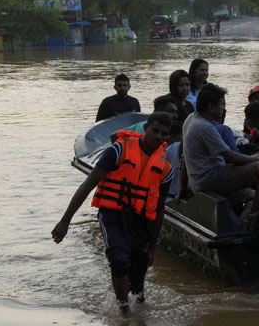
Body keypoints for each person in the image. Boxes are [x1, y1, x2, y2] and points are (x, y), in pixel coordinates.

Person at [52, 112, 174, 314]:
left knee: (139, 273)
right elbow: (87, 185)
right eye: (155, 131)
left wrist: (152, 247)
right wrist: (64, 221)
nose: (158, 137)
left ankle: (138, 311)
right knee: (119, 258)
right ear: (145, 129)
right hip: (112, 214)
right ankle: (123, 310)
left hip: (141, 220)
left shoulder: (165, 168)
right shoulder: (119, 150)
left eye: (164, 134)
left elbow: (159, 209)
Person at [182, 82, 259, 225]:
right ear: (211, 107)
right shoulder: (205, 127)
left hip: (200, 180)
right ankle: (255, 217)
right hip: (211, 179)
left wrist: (181, 191)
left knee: (254, 195)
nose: (224, 109)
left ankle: (242, 222)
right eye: (221, 105)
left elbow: (184, 158)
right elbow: (231, 157)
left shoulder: (191, 118)